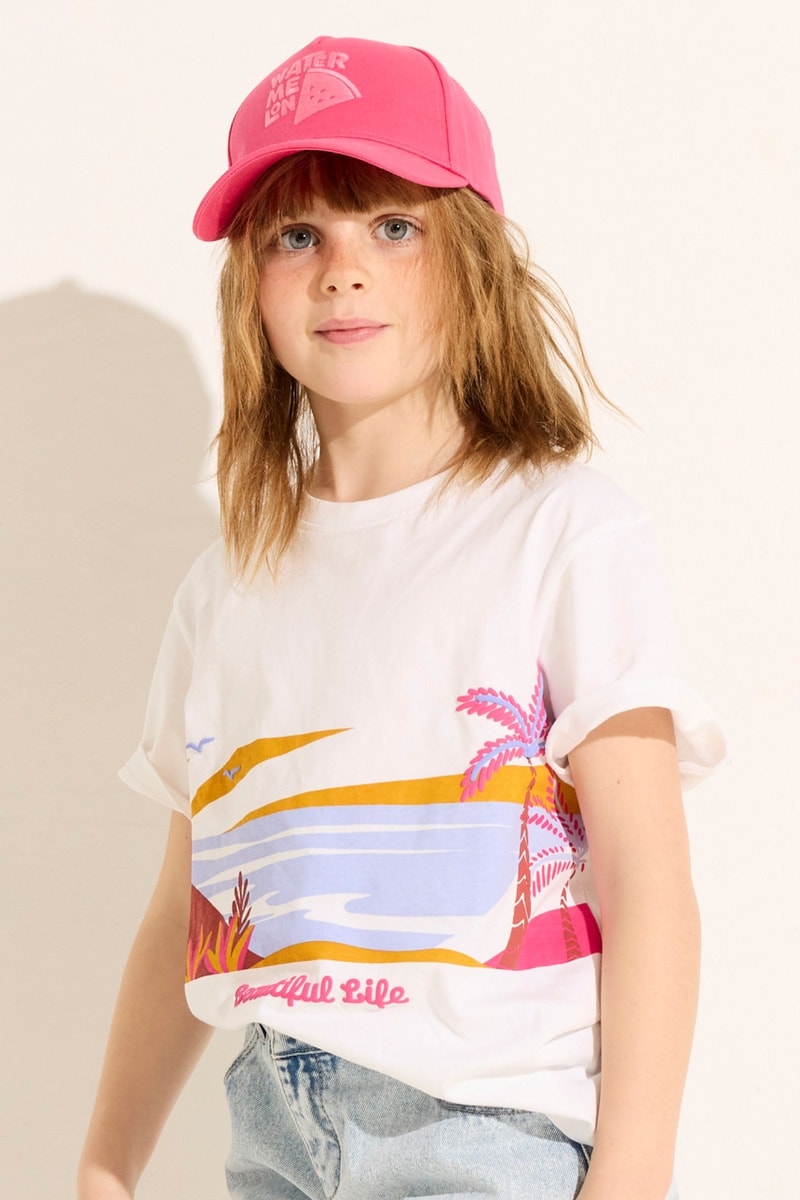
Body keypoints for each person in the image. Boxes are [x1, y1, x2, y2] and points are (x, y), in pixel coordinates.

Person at [77, 35, 725, 1200]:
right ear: (249, 286)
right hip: (271, 1131)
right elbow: (185, 909)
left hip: (480, 1136)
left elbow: (646, 883)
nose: (342, 272)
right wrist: (105, 1162)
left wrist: (631, 1174)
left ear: (470, 259)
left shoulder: (561, 534)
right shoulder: (222, 590)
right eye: (296, 236)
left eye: (391, 226)